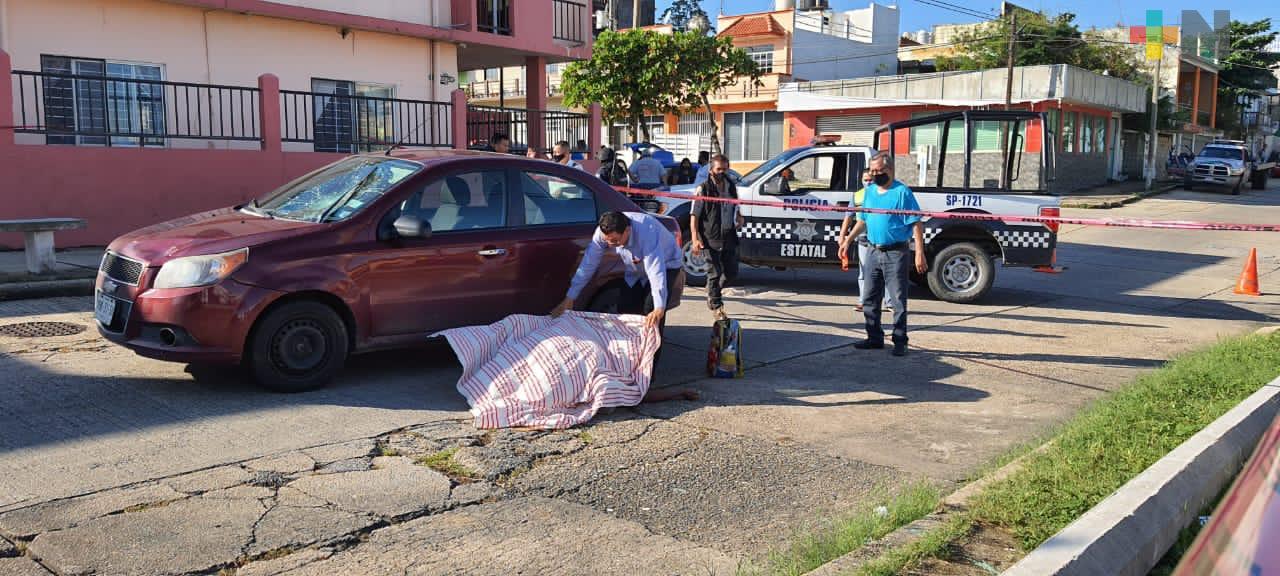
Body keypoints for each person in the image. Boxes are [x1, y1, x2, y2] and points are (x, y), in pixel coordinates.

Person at [838, 153, 927, 357]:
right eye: (872, 171)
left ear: (890, 170)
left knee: (897, 299)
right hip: (872, 250)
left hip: (896, 252)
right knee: (869, 296)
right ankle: (874, 337)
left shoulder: (902, 192)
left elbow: (916, 222)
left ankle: (899, 340)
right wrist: (848, 240)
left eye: (879, 171)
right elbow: (862, 221)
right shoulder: (869, 192)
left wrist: (919, 253)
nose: (875, 175)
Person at [689, 154, 744, 321]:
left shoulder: (731, 187)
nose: (722, 172)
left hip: (728, 235)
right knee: (714, 272)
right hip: (709, 237)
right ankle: (716, 305)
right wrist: (695, 238)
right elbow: (694, 216)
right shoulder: (703, 189)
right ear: (711, 169)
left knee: (731, 273)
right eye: (719, 169)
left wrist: (740, 216)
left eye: (725, 169)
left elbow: (736, 204)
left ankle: (713, 291)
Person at [838, 169, 893, 314]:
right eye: (865, 180)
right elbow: (849, 217)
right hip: (863, 239)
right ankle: (863, 301)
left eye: (870, 179)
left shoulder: (884, 194)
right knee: (864, 272)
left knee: (885, 272)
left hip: (882, 239)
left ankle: (890, 303)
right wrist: (843, 236)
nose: (867, 182)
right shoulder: (857, 195)